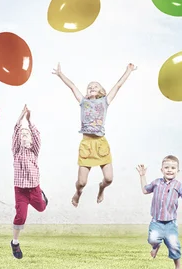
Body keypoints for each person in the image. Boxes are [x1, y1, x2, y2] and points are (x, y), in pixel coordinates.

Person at [52, 62, 136, 207]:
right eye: (89, 86)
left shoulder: (105, 101)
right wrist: (60, 75)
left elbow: (117, 86)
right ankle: (78, 193)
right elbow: (72, 86)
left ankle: (101, 188)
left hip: (101, 143)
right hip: (86, 144)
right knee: (82, 182)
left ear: (101, 91)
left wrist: (128, 71)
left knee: (109, 179)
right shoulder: (83, 101)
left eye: (95, 86)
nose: (91, 87)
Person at [136, 155, 182, 269]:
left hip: (171, 224)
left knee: (174, 246)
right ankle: (156, 246)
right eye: (166, 167)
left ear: (177, 170)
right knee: (152, 239)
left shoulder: (178, 186)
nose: (169, 170)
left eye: (173, 168)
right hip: (156, 221)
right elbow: (145, 190)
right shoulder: (156, 183)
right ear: (161, 169)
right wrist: (142, 175)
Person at [11, 104, 48, 259]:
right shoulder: (17, 151)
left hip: (34, 188)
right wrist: (20, 118)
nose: (24, 134)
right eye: (22, 133)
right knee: (21, 216)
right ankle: (14, 242)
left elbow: (37, 136)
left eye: (27, 133)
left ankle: (41, 195)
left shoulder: (34, 151)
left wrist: (29, 120)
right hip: (20, 190)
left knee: (41, 208)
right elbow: (16, 131)